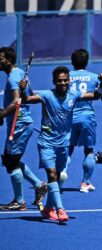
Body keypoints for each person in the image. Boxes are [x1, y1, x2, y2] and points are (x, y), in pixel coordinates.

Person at [20, 66, 102, 222]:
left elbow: (96, 96)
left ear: (69, 81)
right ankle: (60, 209)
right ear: (54, 82)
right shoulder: (47, 95)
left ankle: (47, 209)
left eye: (65, 80)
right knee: (52, 175)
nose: (62, 83)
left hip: (63, 144)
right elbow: (26, 99)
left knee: (59, 176)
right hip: (46, 142)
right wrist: (24, 89)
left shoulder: (73, 95)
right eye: (59, 81)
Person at [0, 47, 47, 211]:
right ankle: (38, 184)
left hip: (18, 125)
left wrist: (2, 114)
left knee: (11, 162)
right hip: (19, 123)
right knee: (10, 159)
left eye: (1, 58)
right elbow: (29, 97)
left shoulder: (14, 78)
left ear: (9, 61)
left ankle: (19, 202)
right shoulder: (20, 73)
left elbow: (16, 102)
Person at [59, 49, 102, 193]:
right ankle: (85, 183)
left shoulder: (65, 77)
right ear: (87, 62)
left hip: (68, 117)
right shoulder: (94, 77)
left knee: (68, 150)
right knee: (89, 151)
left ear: (71, 62)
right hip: (86, 117)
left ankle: (62, 173)